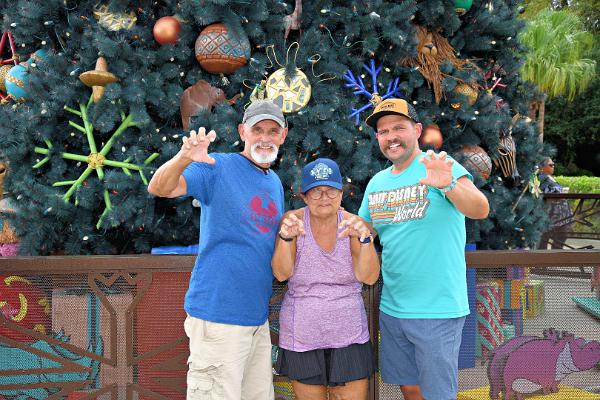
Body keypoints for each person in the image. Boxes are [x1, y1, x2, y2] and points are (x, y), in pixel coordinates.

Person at [147, 100, 288, 400]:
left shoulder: (274, 182)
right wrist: (183, 158)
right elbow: (159, 187)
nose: (265, 138)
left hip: (256, 320)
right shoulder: (217, 167)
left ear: (283, 136)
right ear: (243, 131)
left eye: (273, 131)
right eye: (258, 130)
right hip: (219, 316)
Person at [358, 98, 490, 400]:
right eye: (383, 131)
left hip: (437, 309)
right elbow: (363, 230)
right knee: (409, 387)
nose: (391, 137)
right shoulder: (377, 183)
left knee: (438, 394)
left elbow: (480, 208)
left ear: (417, 130)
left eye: (398, 128)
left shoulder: (439, 166)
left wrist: (448, 185)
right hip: (393, 308)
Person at [272, 158, 380, 400]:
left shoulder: (353, 225)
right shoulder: (293, 221)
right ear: (304, 196)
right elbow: (281, 273)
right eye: (316, 191)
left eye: (331, 190)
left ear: (341, 194)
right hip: (302, 333)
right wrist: (286, 238)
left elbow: (369, 277)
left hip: (349, 333)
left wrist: (365, 240)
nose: (324, 197)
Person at [538, 157, 573, 249]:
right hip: (552, 218)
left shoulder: (550, 178)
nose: (553, 166)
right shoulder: (542, 178)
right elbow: (544, 193)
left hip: (561, 219)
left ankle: (553, 257)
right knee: (543, 244)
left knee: (557, 243)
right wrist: (560, 193)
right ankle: (543, 258)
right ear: (542, 167)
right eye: (551, 165)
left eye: (553, 165)